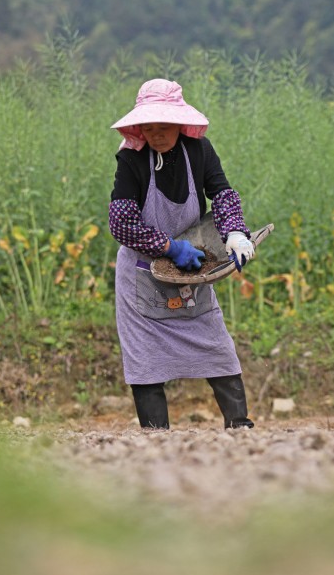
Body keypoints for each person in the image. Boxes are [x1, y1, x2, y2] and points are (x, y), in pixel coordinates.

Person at [108, 78, 257, 429]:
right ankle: (156, 437)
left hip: (192, 271)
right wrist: (168, 247)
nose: (157, 134)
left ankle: (240, 427)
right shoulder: (131, 159)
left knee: (217, 347)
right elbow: (121, 222)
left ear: (179, 124)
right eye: (149, 127)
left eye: (164, 126)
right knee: (145, 360)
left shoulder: (199, 151)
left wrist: (235, 231)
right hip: (141, 275)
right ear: (139, 127)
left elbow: (221, 193)